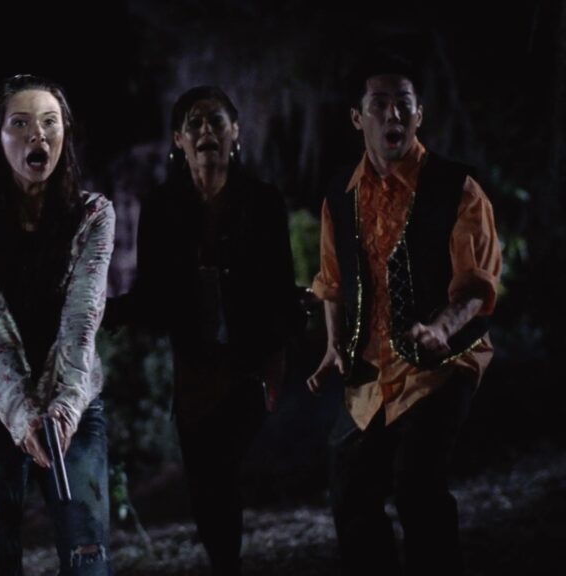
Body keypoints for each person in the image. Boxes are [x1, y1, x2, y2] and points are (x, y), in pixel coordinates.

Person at [306, 56, 502, 576]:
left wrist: (441, 328)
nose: (392, 115)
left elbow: (477, 286)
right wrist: (332, 345)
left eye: (403, 105)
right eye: (380, 105)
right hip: (371, 371)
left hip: (441, 366)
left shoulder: (457, 189)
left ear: (419, 115)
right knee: (349, 490)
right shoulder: (340, 196)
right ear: (358, 118)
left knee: (418, 486)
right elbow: (332, 283)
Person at [105, 85, 301, 575]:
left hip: (249, 361)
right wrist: (105, 314)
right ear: (178, 139)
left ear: (235, 133)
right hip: (194, 365)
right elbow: (152, 292)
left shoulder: (262, 201)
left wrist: (280, 353)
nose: (205, 131)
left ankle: (232, 559)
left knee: (224, 466)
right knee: (204, 484)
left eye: (216, 121)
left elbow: (281, 287)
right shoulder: (161, 206)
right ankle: (224, 562)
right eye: (194, 123)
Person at [0, 74, 115, 575]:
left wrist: (64, 409)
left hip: (70, 396)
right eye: (21, 124)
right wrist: (23, 415)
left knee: (88, 555)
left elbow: (83, 317)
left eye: (50, 122)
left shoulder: (93, 214)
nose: (39, 136)